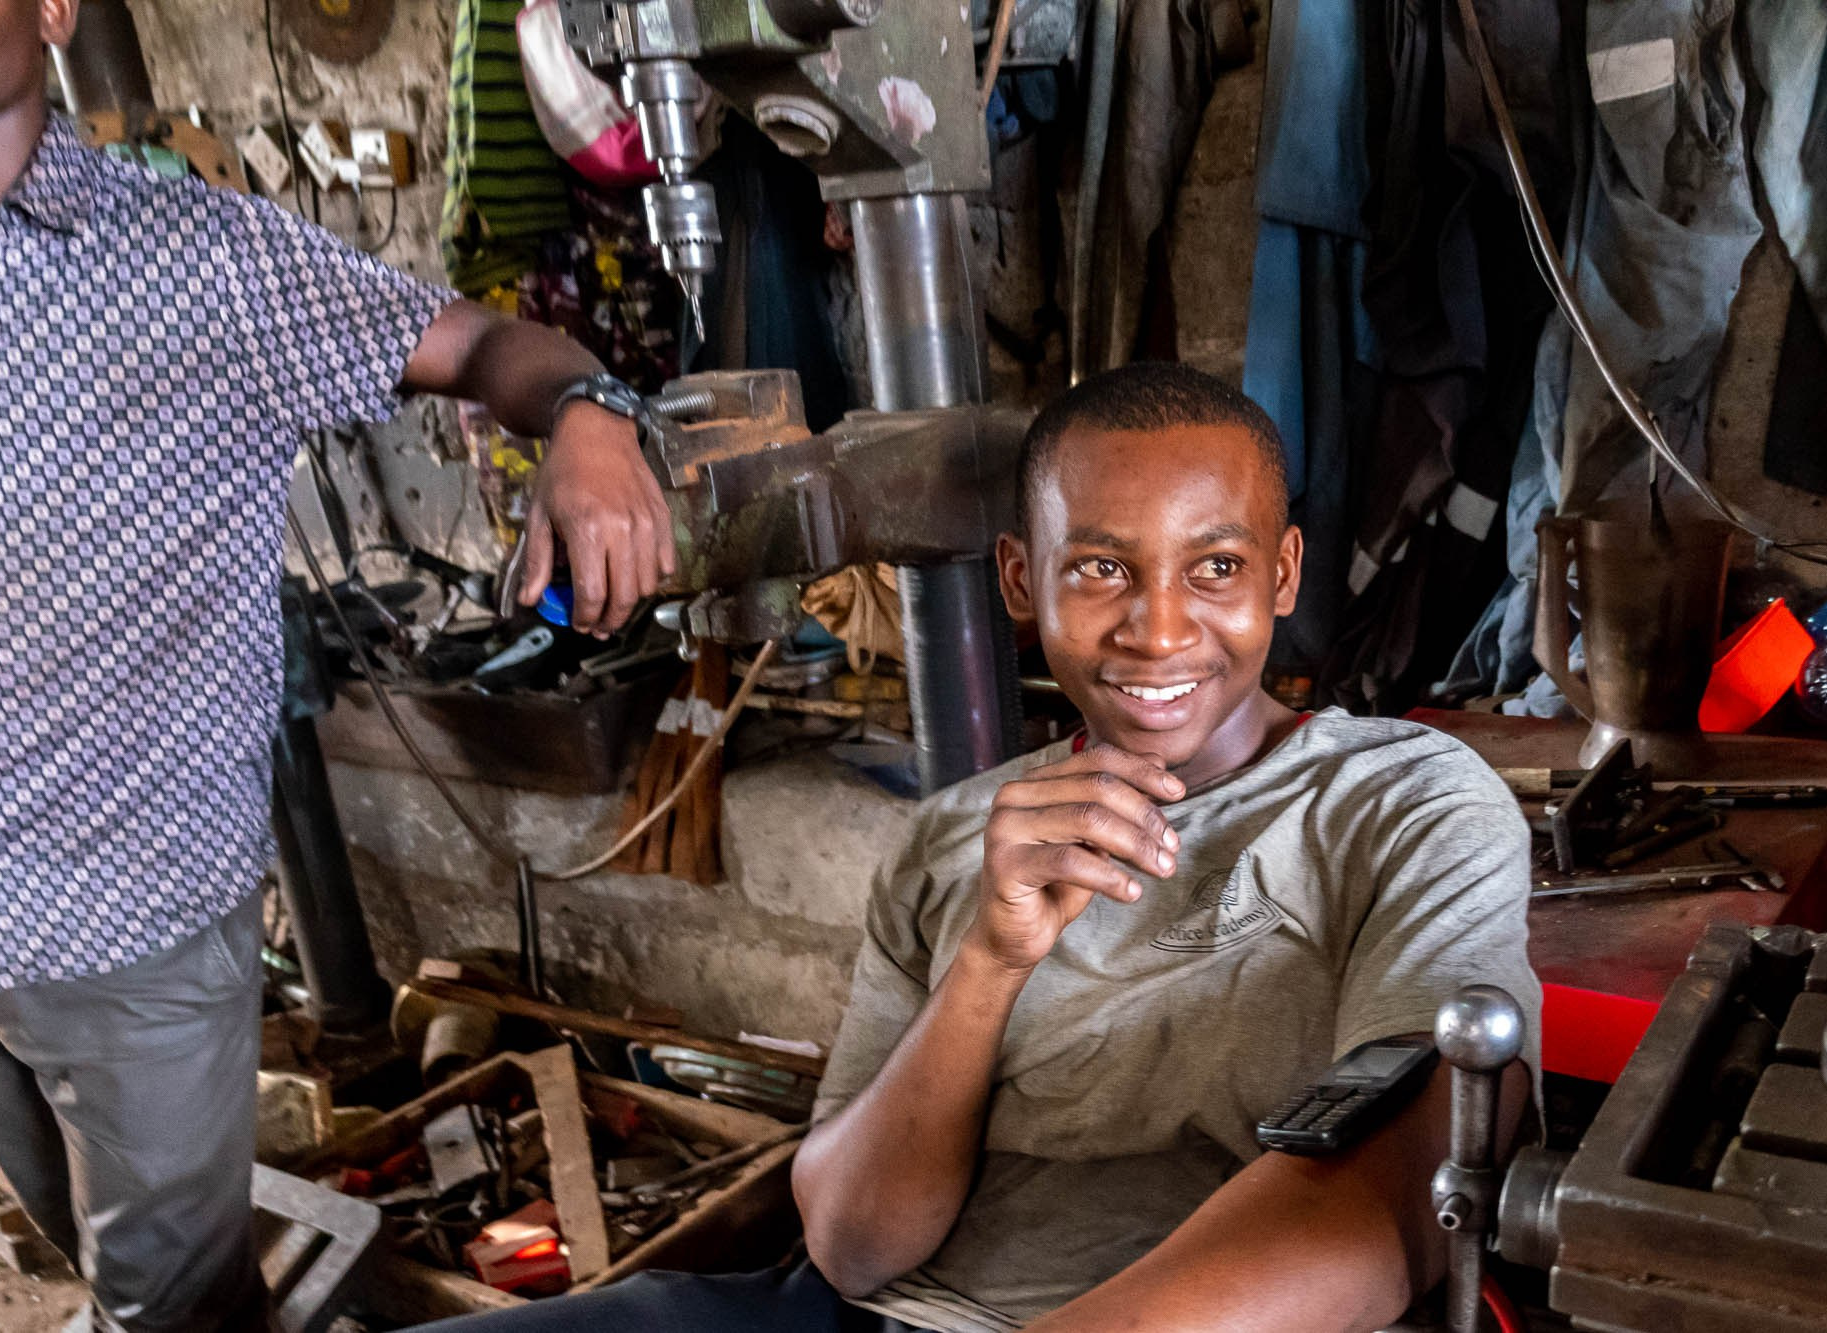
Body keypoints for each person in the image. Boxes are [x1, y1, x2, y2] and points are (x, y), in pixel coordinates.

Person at [420, 363, 1539, 1333]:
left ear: (1282, 575)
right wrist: (988, 963)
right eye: (1099, 568)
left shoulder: (1399, 800)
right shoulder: (957, 836)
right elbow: (853, 1247)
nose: (1157, 628)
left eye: (1213, 569)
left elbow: (1407, 1196)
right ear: (1020, 579)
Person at [0, 0, 677, 1327]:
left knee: (168, 1300)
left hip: (123, 918)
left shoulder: (196, 259)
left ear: (55, 7)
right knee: (84, 1238)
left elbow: (479, 346)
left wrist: (592, 416)